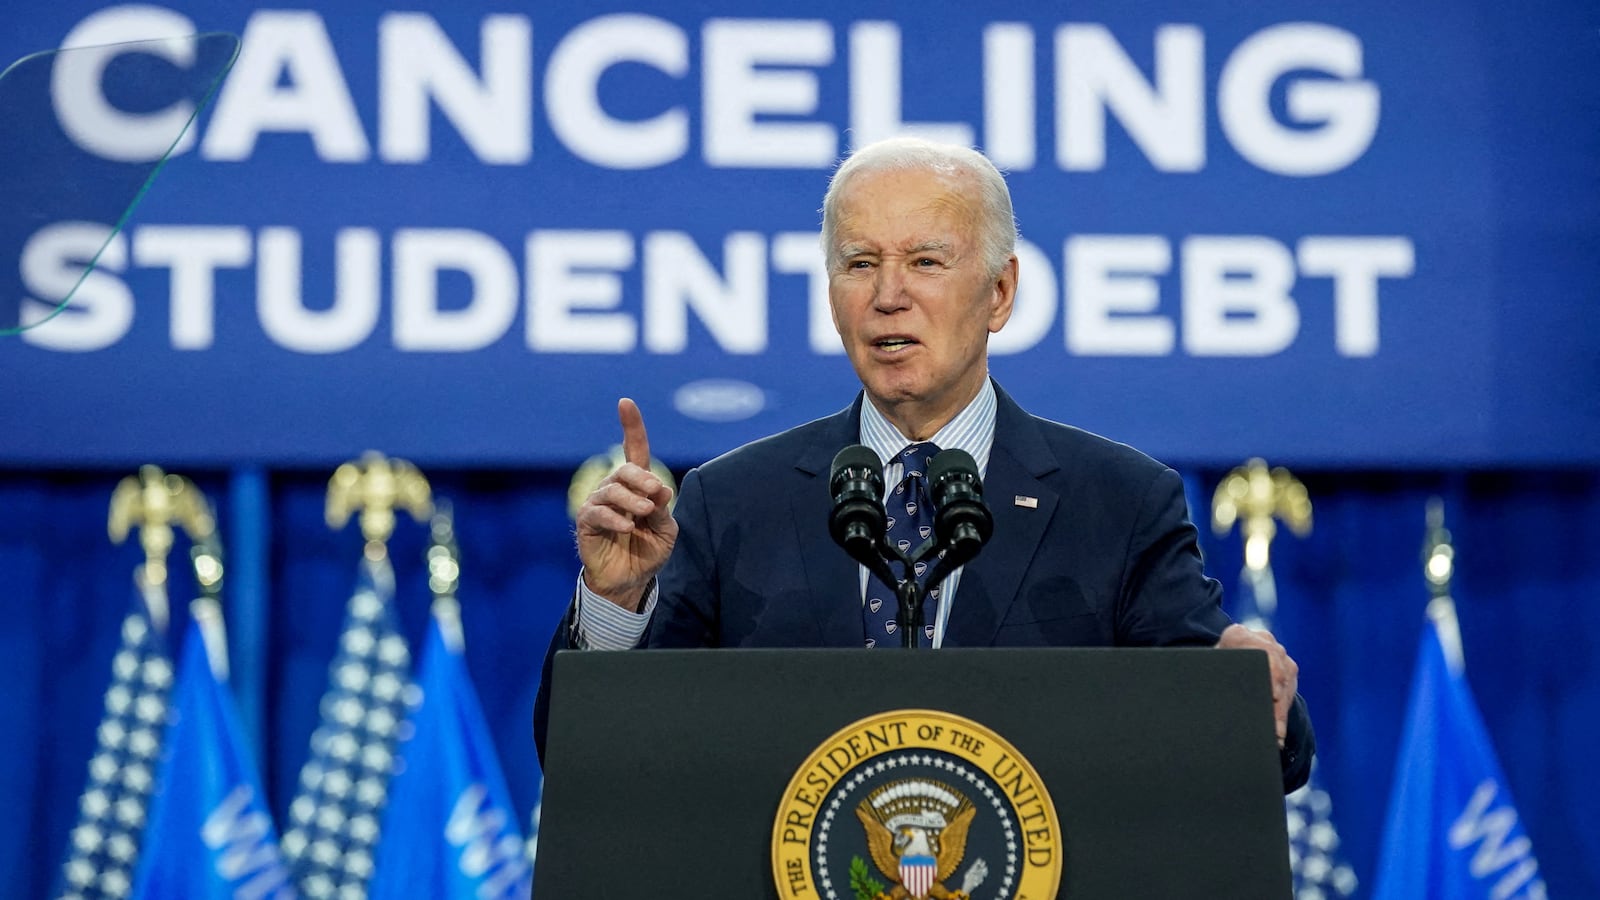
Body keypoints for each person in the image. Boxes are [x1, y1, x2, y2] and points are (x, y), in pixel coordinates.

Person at [535, 137, 1313, 791]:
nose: (888, 295)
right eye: (859, 263)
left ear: (1000, 292)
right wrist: (615, 604)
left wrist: (1248, 687)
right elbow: (593, 760)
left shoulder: (1118, 502)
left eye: (926, 261)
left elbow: (1258, 746)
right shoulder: (731, 501)